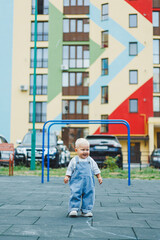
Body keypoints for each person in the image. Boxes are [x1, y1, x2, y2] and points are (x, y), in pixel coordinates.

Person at [64, 138, 103, 217]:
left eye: (87, 150)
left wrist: (99, 177)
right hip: (76, 182)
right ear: (76, 150)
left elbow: (95, 169)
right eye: (83, 150)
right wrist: (67, 176)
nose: (85, 152)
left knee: (89, 195)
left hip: (88, 183)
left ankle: (86, 210)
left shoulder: (90, 160)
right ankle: (73, 209)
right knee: (75, 194)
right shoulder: (74, 160)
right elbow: (70, 169)